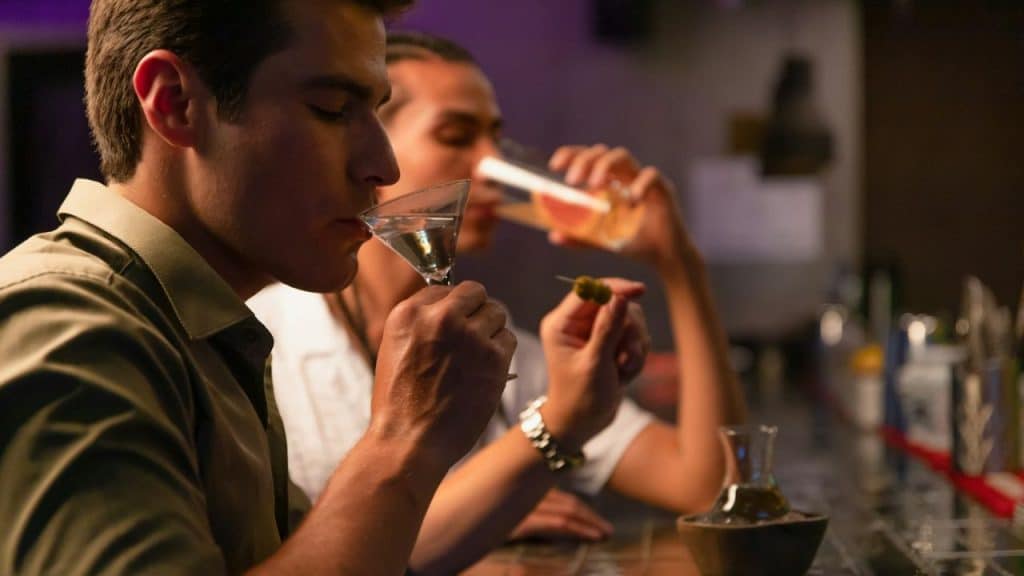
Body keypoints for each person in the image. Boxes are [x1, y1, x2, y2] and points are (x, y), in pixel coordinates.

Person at [0, 3, 644, 574]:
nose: (383, 167)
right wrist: (403, 440)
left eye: (376, 112)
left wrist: (558, 421)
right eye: (332, 109)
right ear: (174, 103)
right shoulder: (68, 326)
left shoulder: (204, 332)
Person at [249, 31, 748, 575]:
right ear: (374, 154)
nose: (490, 165)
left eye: (495, 139)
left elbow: (712, 486)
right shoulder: (260, 341)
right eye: (456, 136)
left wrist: (680, 265)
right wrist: (491, 500)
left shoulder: (494, 340)